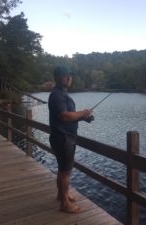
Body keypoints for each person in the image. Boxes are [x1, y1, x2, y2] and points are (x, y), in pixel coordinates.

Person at [48, 65, 93, 213]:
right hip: (63, 138)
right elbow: (64, 116)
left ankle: (62, 195)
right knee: (65, 171)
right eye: (65, 75)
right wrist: (83, 113)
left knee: (63, 170)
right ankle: (65, 204)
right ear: (57, 78)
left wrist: (83, 117)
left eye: (70, 75)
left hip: (64, 137)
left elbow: (68, 117)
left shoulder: (62, 94)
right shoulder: (57, 95)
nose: (69, 78)